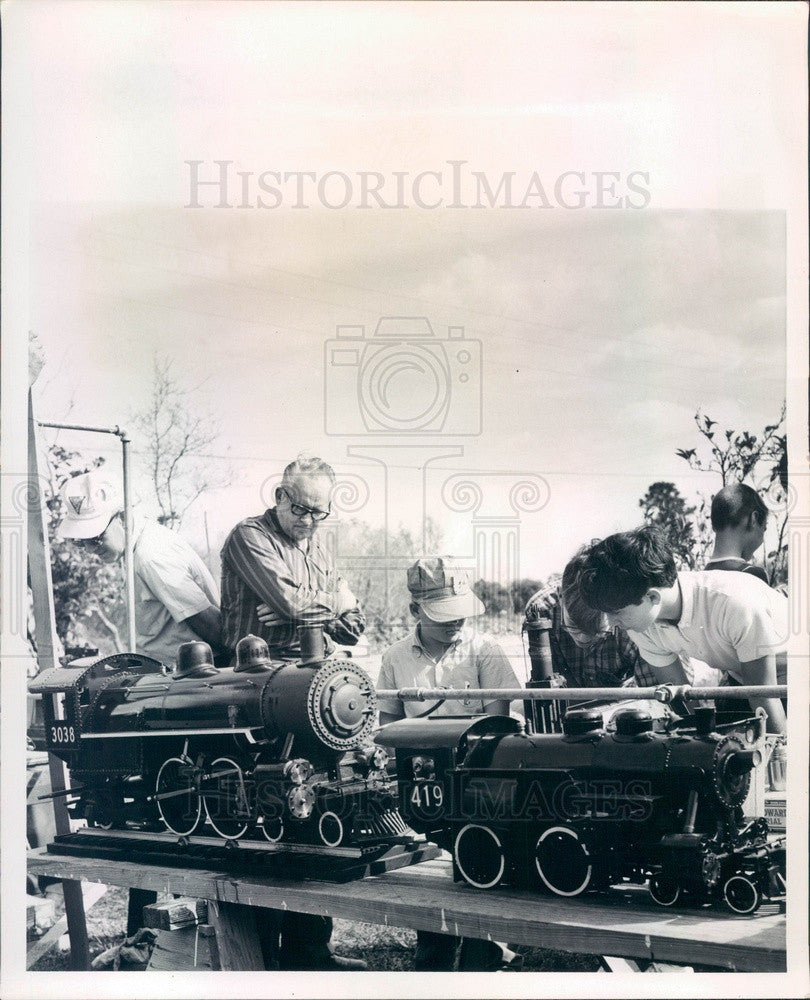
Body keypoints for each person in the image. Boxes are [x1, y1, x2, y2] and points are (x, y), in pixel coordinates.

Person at [219, 453, 366, 971]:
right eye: (301, 509)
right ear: (279, 496)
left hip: (308, 683)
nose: (308, 521)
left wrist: (327, 606)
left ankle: (310, 953)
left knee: (317, 805)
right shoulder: (248, 536)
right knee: (263, 822)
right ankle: (258, 958)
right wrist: (324, 605)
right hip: (249, 688)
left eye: (319, 513)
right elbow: (291, 606)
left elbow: (343, 613)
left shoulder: (319, 545)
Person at [377, 556, 522, 971]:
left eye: (461, 614)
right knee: (432, 881)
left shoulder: (485, 650)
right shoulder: (395, 658)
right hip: (423, 788)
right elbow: (388, 729)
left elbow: (501, 724)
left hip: (481, 783)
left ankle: (485, 956)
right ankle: (434, 957)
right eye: (444, 616)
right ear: (414, 611)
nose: (455, 623)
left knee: (484, 871)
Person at [578, 525, 787, 734]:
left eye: (616, 612)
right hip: (749, 681)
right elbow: (683, 698)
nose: (610, 623)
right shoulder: (641, 623)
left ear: (652, 597)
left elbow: (765, 698)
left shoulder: (733, 603)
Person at [57, 470, 225, 665]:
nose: (89, 549)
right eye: (82, 541)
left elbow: (213, 628)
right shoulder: (132, 548)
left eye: (96, 539)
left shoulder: (152, 556)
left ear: (123, 518)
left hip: (190, 676)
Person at [523, 549, 660, 689]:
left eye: (595, 630)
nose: (583, 638)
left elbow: (650, 691)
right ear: (560, 596)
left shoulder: (633, 619)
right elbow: (546, 685)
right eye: (573, 626)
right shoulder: (541, 612)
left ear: (611, 610)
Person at [705, 483, 770, 583]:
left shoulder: (700, 578)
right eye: (764, 529)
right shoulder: (753, 575)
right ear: (753, 519)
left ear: (714, 525)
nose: (762, 538)